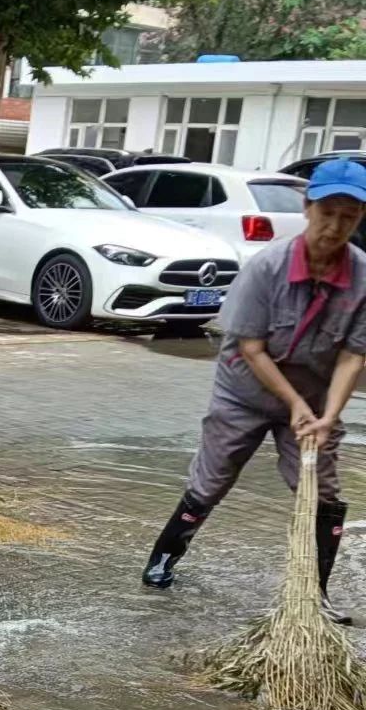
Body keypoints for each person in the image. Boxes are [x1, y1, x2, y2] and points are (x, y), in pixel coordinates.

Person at [142, 157, 366, 624]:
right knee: (214, 477)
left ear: (360, 217)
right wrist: (294, 403)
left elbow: (353, 355)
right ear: (307, 208)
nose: (334, 226)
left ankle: (315, 594)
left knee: (322, 491)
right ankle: (162, 561)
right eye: (327, 213)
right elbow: (251, 347)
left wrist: (327, 416)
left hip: (315, 399)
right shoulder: (267, 267)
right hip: (245, 390)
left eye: (348, 216)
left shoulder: (362, 275)